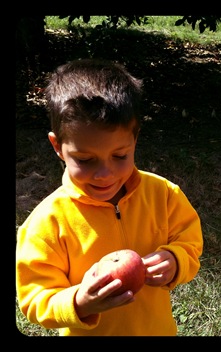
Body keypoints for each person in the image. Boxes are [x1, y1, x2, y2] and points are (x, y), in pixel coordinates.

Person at [15, 58, 203, 336]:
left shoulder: (163, 195)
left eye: (119, 156)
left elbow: (190, 242)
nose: (105, 174)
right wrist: (79, 302)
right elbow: (34, 301)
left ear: (135, 138)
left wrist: (176, 261)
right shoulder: (46, 224)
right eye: (85, 159)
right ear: (57, 146)